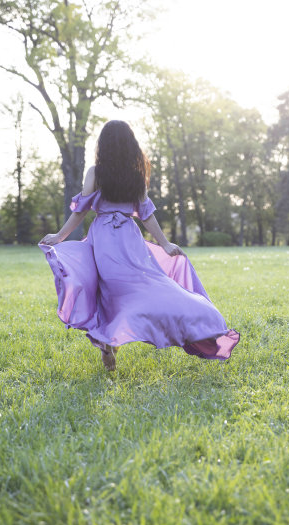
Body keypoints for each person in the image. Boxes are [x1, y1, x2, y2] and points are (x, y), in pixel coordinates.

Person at [39, 120, 239, 371]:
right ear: (129, 145)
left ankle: (108, 343)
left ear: (104, 145)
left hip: (104, 238)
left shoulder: (95, 173)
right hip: (129, 238)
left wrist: (59, 236)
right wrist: (164, 244)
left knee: (108, 289)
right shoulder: (136, 175)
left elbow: (81, 212)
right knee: (148, 283)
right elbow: (146, 215)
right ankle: (201, 321)